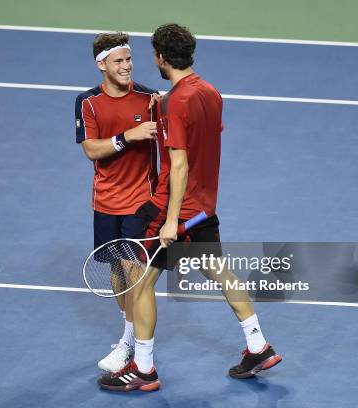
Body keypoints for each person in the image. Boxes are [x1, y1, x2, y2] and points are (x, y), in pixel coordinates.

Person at [98, 23, 282, 392]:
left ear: (161, 58)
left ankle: (144, 370)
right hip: (204, 207)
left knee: (141, 284)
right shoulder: (209, 92)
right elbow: (205, 140)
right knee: (220, 273)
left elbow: (179, 163)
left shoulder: (174, 103)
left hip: (176, 212)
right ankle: (258, 345)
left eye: (151, 54)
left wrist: (169, 221)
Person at [75, 32, 159, 373]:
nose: (126, 66)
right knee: (115, 271)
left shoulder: (150, 98)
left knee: (134, 275)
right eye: (118, 61)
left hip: (141, 203)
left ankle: (130, 344)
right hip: (106, 202)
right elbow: (91, 150)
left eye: (128, 60)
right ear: (102, 65)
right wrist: (127, 137)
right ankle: (127, 331)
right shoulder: (87, 103)